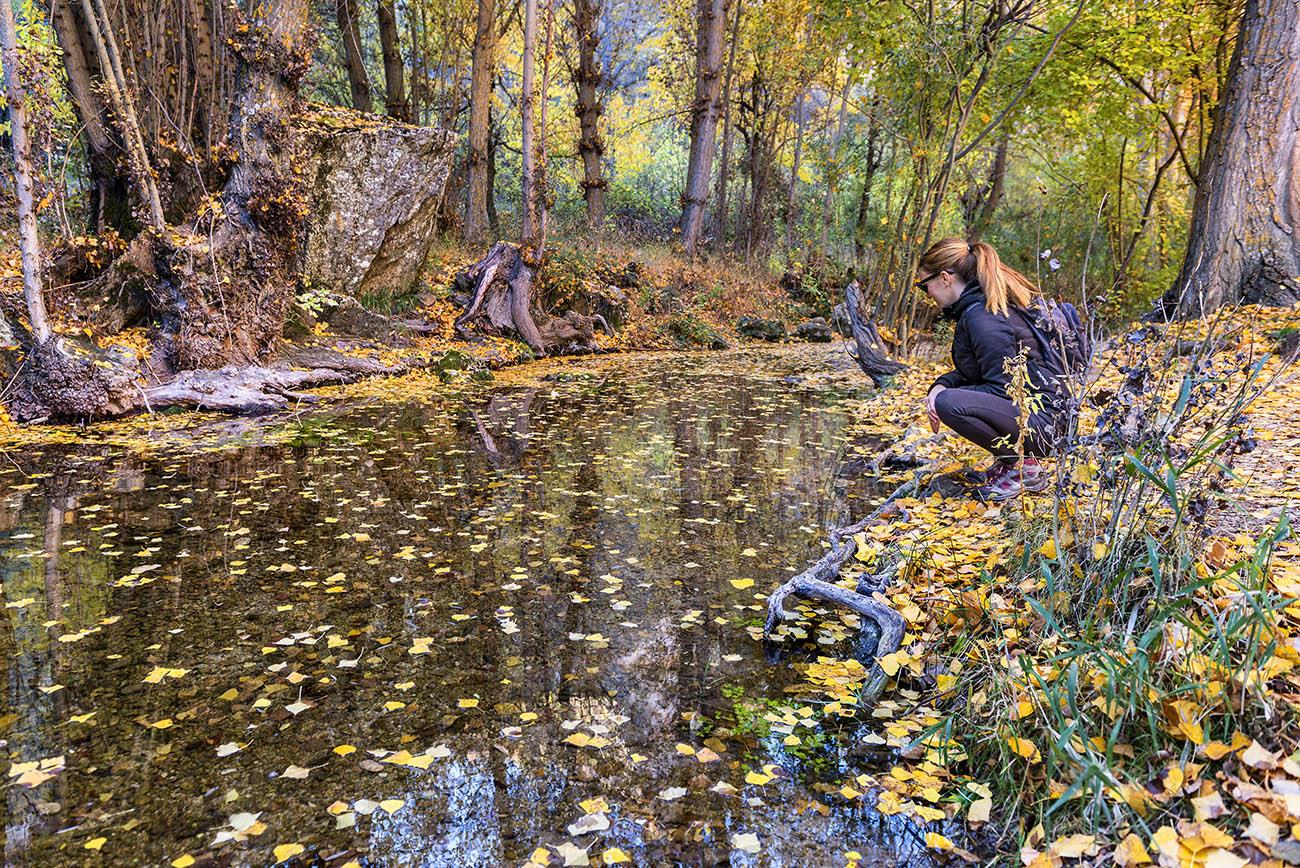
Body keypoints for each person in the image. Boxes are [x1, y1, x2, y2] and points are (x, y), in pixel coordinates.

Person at [916, 238, 1068, 501]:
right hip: (1046, 418)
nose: (926, 294)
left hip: (1047, 425)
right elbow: (979, 375)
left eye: (923, 285)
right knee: (945, 396)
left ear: (944, 278)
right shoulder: (982, 307)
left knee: (949, 404)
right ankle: (1010, 464)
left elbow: (1003, 390)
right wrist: (940, 384)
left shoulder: (983, 317)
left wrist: (942, 397)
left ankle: (1024, 469)